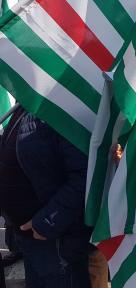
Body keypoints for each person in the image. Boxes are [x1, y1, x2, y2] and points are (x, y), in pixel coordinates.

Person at [0, 106, 92, 287]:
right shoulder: (25, 105)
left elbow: (86, 177)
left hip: (55, 242)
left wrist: (47, 223)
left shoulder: (63, 108)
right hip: (29, 239)